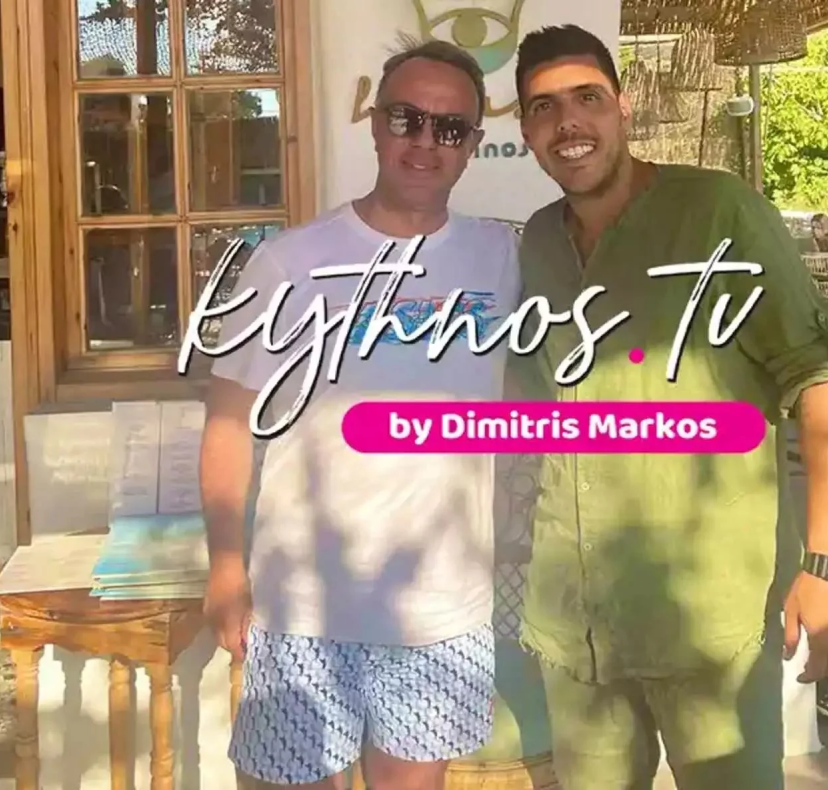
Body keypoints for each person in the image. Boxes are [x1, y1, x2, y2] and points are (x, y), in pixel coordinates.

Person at [509, 25, 828, 790]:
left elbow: (820, 379)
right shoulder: (537, 242)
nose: (568, 123)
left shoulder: (718, 211)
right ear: (526, 131)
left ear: (623, 107)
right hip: (576, 624)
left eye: (587, 98)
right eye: (544, 107)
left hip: (707, 619)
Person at [200, 40, 520, 790]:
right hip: (304, 606)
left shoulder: (502, 257)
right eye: (407, 118)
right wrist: (224, 566)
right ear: (375, 124)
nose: (425, 141)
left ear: (473, 144)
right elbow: (228, 424)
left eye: (449, 127)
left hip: (440, 610)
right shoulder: (288, 263)